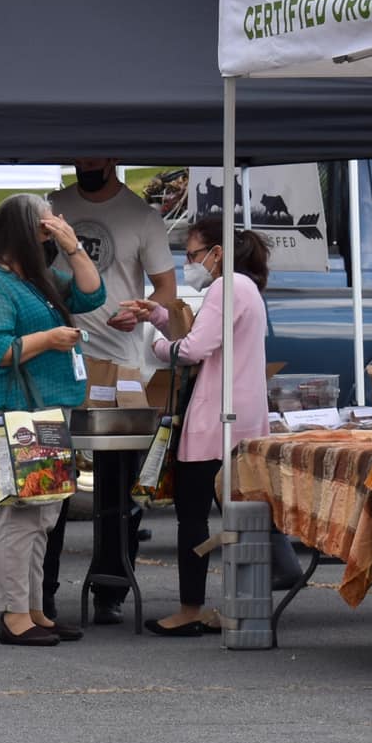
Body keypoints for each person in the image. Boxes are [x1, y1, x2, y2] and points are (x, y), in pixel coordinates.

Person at [0, 193, 105, 647]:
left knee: (44, 515)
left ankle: (34, 608)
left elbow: (92, 292)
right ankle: (13, 613)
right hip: (17, 409)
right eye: (42, 226)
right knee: (21, 516)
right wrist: (48, 338)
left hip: (44, 408)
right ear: (20, 231)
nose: (49, 231)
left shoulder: (37, 280)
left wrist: (73, 246)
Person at [42, 159, 176, 625]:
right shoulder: (55, 206)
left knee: (118, 488)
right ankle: (44, 593)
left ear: (113, 158)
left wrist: (142, 310)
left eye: (94, 157)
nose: (86, 165)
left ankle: (111, 590)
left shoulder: (142, 216)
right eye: (79, 158)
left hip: (120, 363)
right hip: (58, 356)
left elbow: (167, 290)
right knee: (52, 481)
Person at [135, 217, 274, 636]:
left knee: (192, 517)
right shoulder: (243, 288)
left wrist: (156, 346)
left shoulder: (225, 287)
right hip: (243, 415)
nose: (188, 263)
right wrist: (160, 314)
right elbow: (203, 334)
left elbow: (194, 347)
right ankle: (244, 602)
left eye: (192, 254)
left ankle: (190, 607)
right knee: (243, 515)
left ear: (217, 252)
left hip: (217, 418)